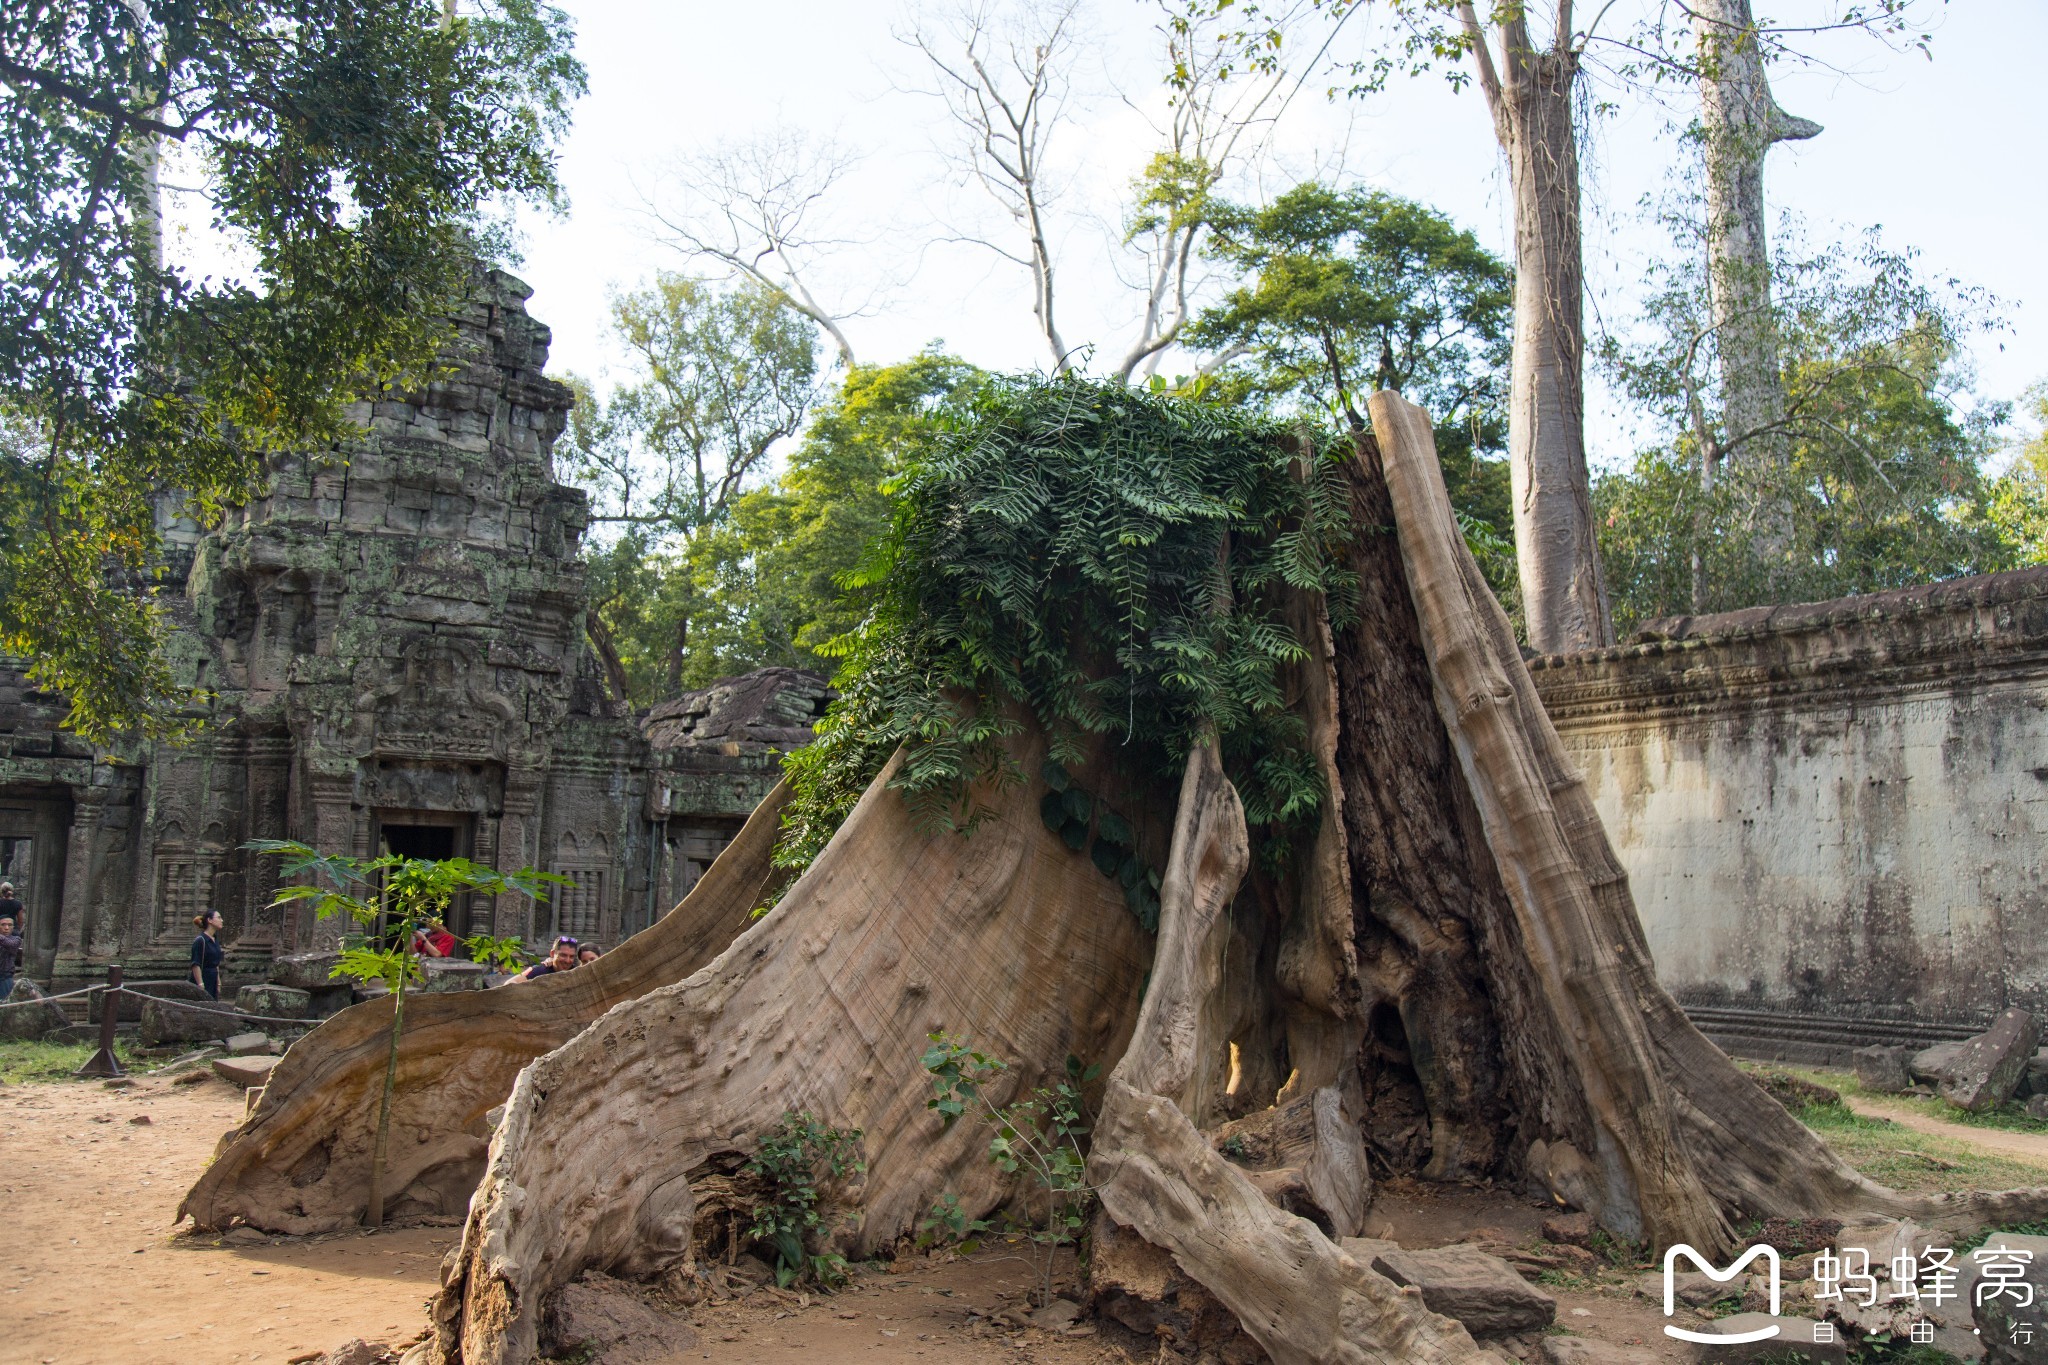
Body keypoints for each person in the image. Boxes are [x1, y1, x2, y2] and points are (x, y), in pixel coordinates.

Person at [506, 935, 578, 983]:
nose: (567, 960)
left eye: (571, 956)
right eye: (563, 955)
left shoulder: (577, 974)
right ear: (552, 954)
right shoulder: (539, 971)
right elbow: (509, 984)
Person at [189, 910, 225, 1000]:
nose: (222, 920)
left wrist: (219, 983)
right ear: (210, 920)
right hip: (203, 978)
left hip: (213, 979)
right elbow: (195, 964)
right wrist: (200, 985)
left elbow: (216, 964)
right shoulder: (200, 940)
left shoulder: (215, 940)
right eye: (219, 917)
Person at [0, 914, 22, 999]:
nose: (6, 928)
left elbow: (9, 944)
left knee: (4, 1005)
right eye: (3, 925)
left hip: (4, 978)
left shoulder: (16, 940)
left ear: (13, 927)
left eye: (9, 925)